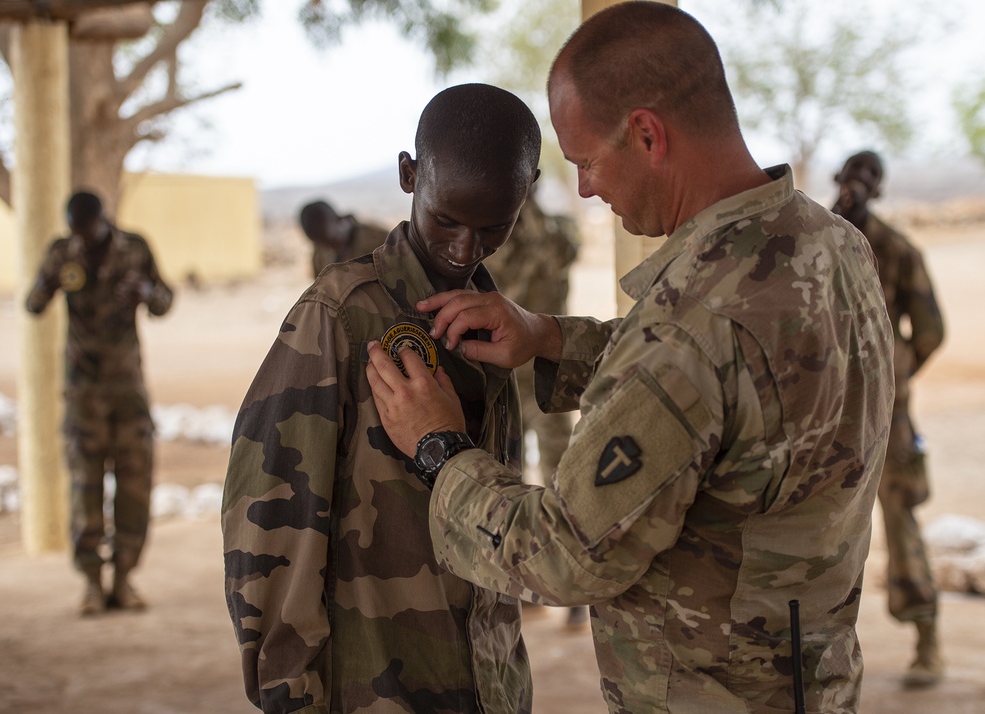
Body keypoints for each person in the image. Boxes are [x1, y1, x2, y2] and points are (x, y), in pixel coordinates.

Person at [364, 4, 895, 712]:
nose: (585, 188)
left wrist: (439, 449)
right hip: (813, 680)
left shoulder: (693, 322)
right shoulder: (827, 245)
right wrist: (551, 338)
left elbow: (563, 556)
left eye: (586, 161)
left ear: (648, 134)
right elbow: (745, 385)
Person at [222, 83, 541, 714]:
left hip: (487, 681)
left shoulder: (490, 315)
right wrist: (288, 692)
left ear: (524, 198)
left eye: (491, 228)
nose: (462, 250)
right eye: (445, 219)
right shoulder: (341, 315)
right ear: (408, 175)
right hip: (374, 687)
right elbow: (267, 521)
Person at [25, 190, 173, 615]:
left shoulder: (135, 248)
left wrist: (146, 292)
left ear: (102, 220)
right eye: (76, 232)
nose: (82, 240)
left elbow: (165, 302)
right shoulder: (61, 252)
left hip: (127, 391)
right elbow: (33, 306)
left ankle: (124, 579)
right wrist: (47, 284)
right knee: (84, 489)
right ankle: (91, 583)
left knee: (133, 485)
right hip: (83, 394)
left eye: (87, 231)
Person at [832, 150, 946, 687]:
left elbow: (929, 331)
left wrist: (894, 374)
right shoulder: (825, 238)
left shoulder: (891, 249)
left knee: (897, 520)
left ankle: (927, 638)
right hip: (836, 406)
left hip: (870, 410)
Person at [483, 186, 585, 629]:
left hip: (551, 377)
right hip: (507, 377)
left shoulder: (555, 231)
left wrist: (531, 209)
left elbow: (560, 253)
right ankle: (524, 577)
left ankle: (576, 587)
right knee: (509, 474)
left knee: (561, 476)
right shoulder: (493, 238)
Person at [299, 199, 387, 278]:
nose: (325, 247)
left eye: (329, 241)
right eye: (317, 242)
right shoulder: (319, 253)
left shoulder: (379, 240)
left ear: (338, 220)